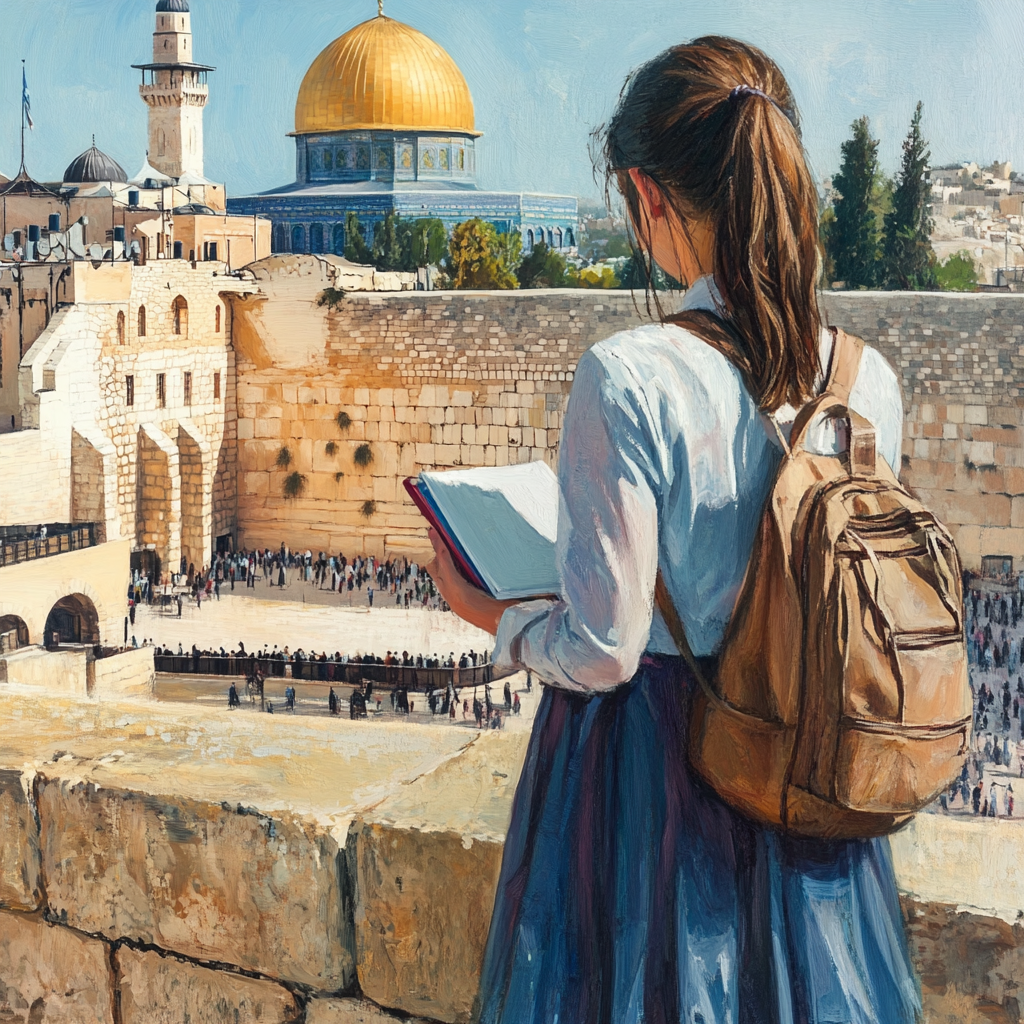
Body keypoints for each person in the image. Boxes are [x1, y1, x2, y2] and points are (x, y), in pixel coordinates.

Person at [426, 37, 918, 1023]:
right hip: (811, 780)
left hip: (651, 787)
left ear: (648, 198)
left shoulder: (629, 374)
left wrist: (493, 614)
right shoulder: (869, 381)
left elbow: (606, 651)